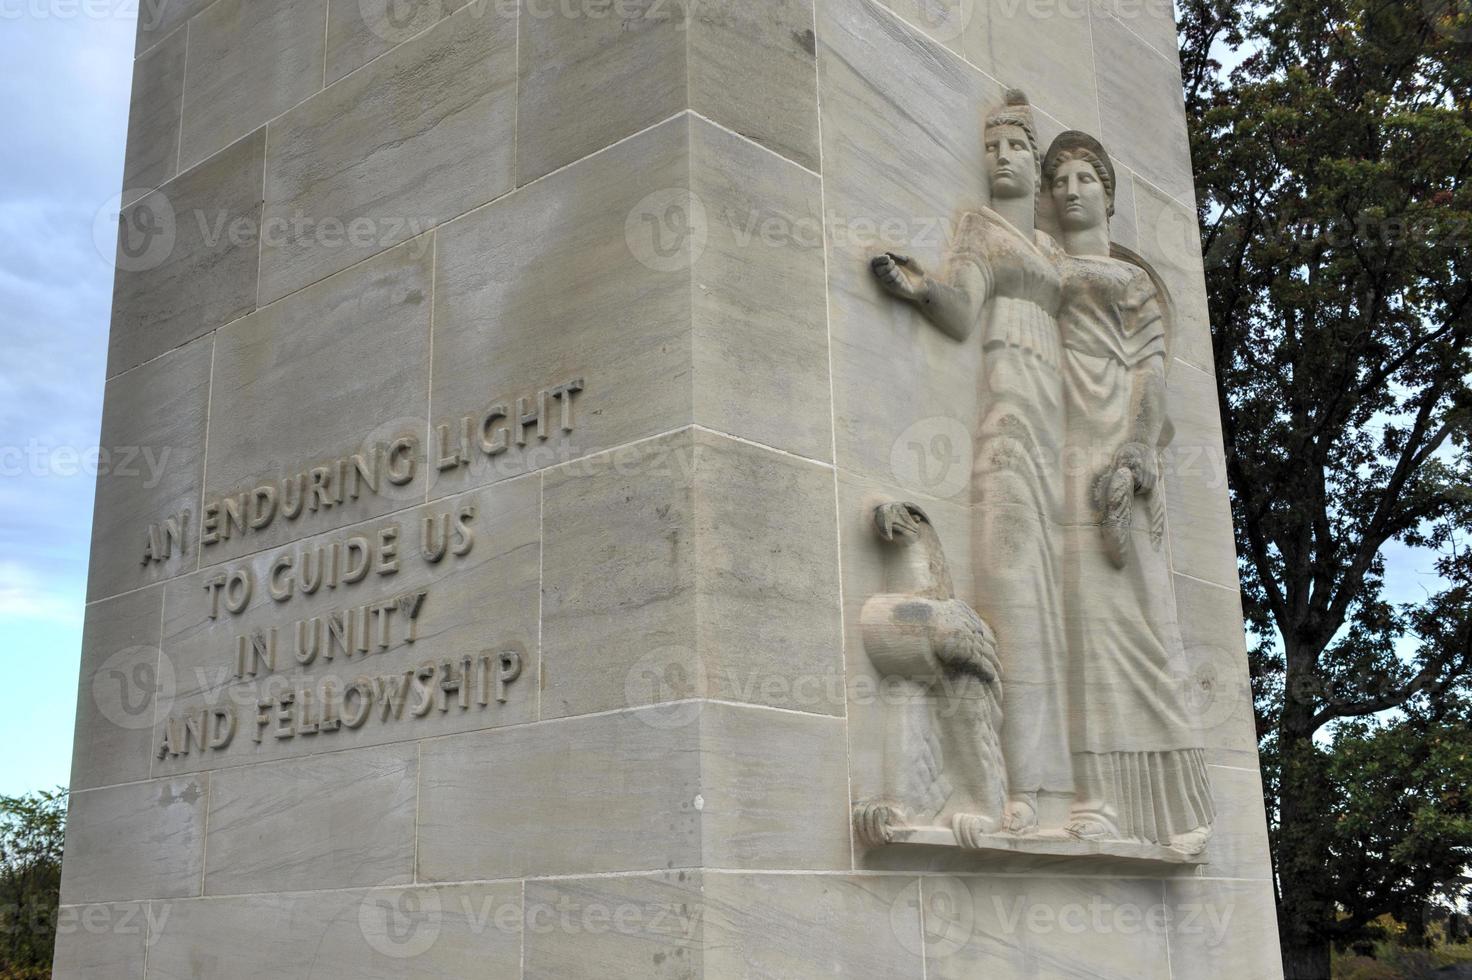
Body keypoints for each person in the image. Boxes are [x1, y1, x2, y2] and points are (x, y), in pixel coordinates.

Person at [871, 90, 1073, 837]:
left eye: (1015, 147)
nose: (1000, 158)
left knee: (1060, 598)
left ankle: (1063, 786)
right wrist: (921, 287)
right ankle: (1014, 780)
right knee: (1014, 577)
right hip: (1011, 398)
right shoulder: (980, 229)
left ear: (1036, 161)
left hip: (1065, 411)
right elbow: (960, 307)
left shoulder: (1056, 252)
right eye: (991, 148)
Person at [1043, 130, 1214, 853]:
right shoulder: (1044, 263)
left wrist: (1136, 448)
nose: (1072, 188)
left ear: (1109, 193)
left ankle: (1180, 804)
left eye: (1086, 176)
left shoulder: (1133, 281)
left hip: (1123, 464)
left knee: (1144, 634)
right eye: (1062, 179)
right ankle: (1099, 797)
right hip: (1063, 452)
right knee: (1086, 635)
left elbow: (1150, 373)